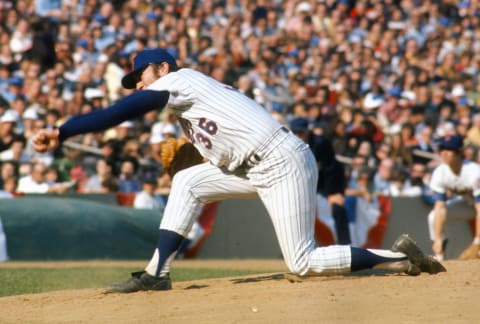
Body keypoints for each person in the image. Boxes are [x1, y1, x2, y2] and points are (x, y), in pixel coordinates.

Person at [33, 48, 445, 293]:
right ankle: (157, 273)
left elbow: (121, 111)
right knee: (188, 181)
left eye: (139, 76)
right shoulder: (186, 102)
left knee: (302, 262)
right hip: (253, 165)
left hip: (280, 161)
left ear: (160, 68)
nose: (136, 84)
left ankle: (399, 257)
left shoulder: (180, 80)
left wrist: (63, 130)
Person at [289, 117, 351, 245]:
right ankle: (294, 246)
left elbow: (332, 168)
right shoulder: (287, 145)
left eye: (301, 132)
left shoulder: (321, 143)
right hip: (302, 187)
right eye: (295, 132)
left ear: (307, 131)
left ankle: (345, 246)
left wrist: (333, 192)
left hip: (323, 186)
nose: (298, 136)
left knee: (337, 209)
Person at [427, 134, 480, 261]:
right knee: (433, 216)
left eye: (449, 149)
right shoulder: (440, 172)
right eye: (442, 149)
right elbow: (440, 207)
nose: (444, 153)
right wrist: (438, 238)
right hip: (469, 204)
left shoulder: (474, 172)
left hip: (477, 206)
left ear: (459, 152)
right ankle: (439, 254)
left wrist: (477, 241)